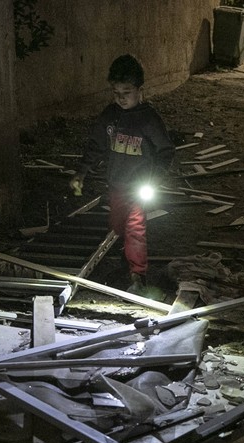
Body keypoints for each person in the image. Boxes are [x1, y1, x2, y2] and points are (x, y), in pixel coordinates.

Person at [69, 54, 175, 296]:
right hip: (116, 185)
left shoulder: (149, 119)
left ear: (140, 90)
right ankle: (125, 255)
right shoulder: (110, 115)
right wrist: (82, 171)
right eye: (115, 92)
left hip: (139, 187)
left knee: (135, 227)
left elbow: (166, 151)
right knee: (118, 226)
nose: (120, 98)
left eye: (126, 92)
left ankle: (138, 276)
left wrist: (155, 177)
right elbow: (96, 145)